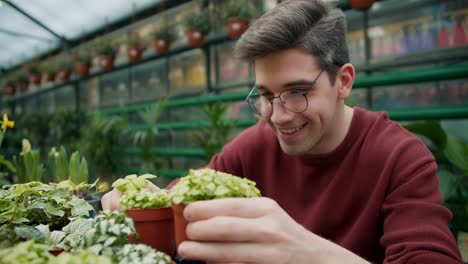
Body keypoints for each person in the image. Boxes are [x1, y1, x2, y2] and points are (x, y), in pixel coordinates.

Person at [102, 0, 463, 263]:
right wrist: (142, 201)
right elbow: (181, 200)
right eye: (265, 95)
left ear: (344, 81)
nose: (277, 116)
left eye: (297, 92)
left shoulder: (401, 157)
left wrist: (304, 253)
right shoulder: (253, 146)